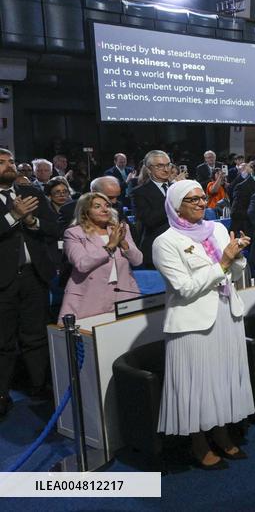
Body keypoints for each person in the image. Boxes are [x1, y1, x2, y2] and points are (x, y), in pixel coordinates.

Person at [153, 181, 254, 469]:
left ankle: (221, 434)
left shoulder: (218, 230)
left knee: (221, 380)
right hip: (192, 324)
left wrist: (237, 256)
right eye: (192, 199)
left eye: (202, 197)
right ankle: (198, 444)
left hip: (226, 315)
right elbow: (184, 288)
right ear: (176, 206)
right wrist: (223, 262)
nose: (201, 203)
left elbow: (233, 274)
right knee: (196, 385)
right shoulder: (165, 242)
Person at [0, 148, 60, 416]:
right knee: (3, 340)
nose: (9, 165)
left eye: (11, 161)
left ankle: (39, 386)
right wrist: (13, 217)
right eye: (1, 162)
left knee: (36, 335)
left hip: (35, 276)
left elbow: (54, 227)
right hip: (3, 281)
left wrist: (31, 219)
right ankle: (3, 394)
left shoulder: (32, 193)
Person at [59, 191, 142, 321]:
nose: (104, 209)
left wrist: (123, 243)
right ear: (85, 212)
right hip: (89, 296)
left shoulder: (119, 229)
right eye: (97, 206)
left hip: (123, 294)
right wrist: (110, 246)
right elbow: (82, 264)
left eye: (107, 205)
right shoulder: (74, 233)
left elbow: (137, 261)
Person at [132, 150, 173, 267]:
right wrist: (172, 198)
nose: (166, 169)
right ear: (149, 169)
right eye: (160, 166)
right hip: (157, 249)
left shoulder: (178, 188)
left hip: (183, 247)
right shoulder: (139, 192)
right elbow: (149, 220)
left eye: (168, 165)